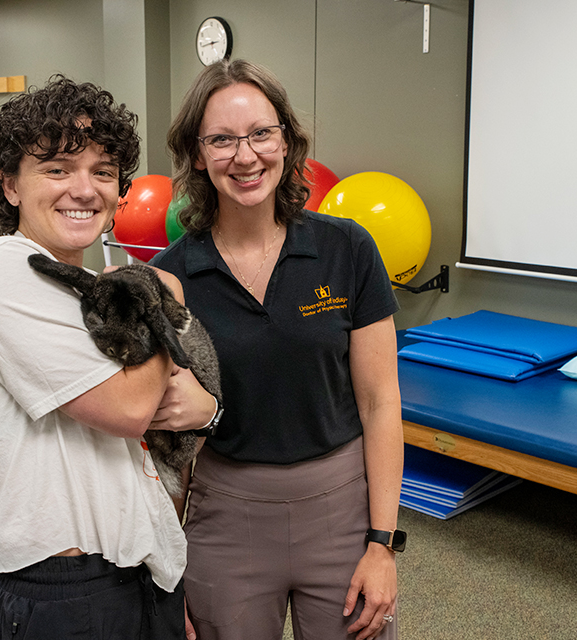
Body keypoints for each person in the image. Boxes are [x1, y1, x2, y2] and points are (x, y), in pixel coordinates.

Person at [0, 75, 215, 639]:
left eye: (102, 172)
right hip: (60, 592)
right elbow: (128, 410)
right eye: (57, 169)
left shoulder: (96, 286)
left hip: (135, 574)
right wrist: (165, 302)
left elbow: (183, 419)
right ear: (11, 186)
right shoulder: (1, 268)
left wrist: (164, 578)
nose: (84, 188)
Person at [151, 59, 405, 640]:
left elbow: (380, 403)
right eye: (222, 139)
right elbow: (169, 444)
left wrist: (383, 544)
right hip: (227, 517)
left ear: (287, 142)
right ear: (196, 153)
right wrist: (167, 572)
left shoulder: (347, 250)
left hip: (341, 511)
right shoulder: (170, 278)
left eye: (261, 133)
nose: (246, 156)